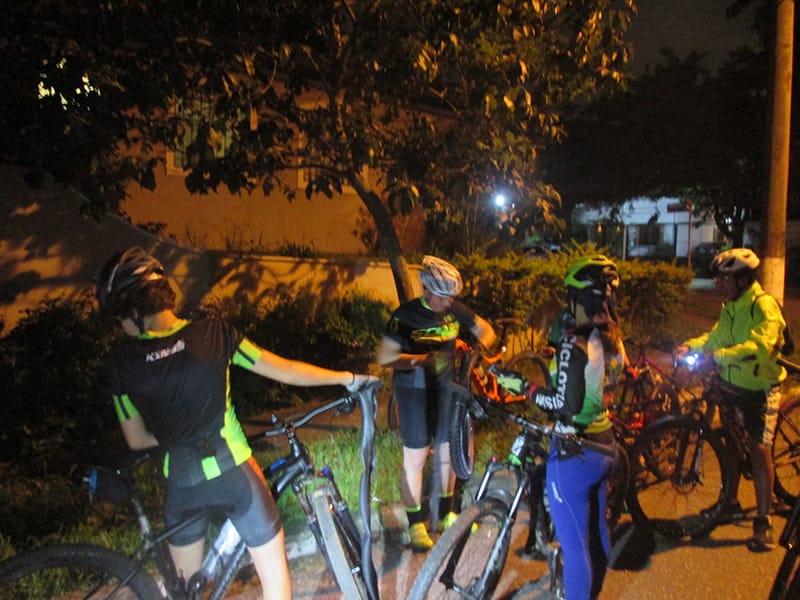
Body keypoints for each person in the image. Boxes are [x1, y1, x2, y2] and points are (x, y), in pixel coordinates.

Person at [97, 247, 376, 599]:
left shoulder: (122, 363)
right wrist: (348, 378)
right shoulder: (213, 334)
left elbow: (137, 440)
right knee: (276, 585)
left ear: (135, 309)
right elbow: (285, 370)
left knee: (185, 594)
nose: (120, 325)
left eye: (119, 315)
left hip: (182, 485)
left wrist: (176, 435)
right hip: (235, 474)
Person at [376, 255, 496, 552]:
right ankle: (415, 524)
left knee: (446, 455)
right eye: (443, 297)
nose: (449, 302)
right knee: (415, 460)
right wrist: (419, 360)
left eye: (452, 297)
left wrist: (477, 351)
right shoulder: (405, 316)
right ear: (427, 291)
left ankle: (445, 515)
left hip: (446, 391)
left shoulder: (454, 308)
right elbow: (385, 358)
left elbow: (486, 330)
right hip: (413, 391)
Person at [674, 247, 786, 552]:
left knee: (759, 451)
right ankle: (730, 502)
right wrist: (690, 347)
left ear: (742, 279)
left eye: (723, 278)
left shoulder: (763, 306)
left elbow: (760, 346)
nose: (717, 283)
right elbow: (715, 338)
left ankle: (763, 521)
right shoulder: (731, 307)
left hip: (758, 389)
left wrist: (718, 357)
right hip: (730, 385)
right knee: (731, 445)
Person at [527, 255, 625, 600]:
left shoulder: (573, 344)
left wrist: (525, 388)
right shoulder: (611, 337)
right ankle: (595, 589)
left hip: (575, 453)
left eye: (570, 296)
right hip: (605, 443)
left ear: (578, 299)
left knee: (574, 547)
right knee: (596, 527)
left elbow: (563, 404)